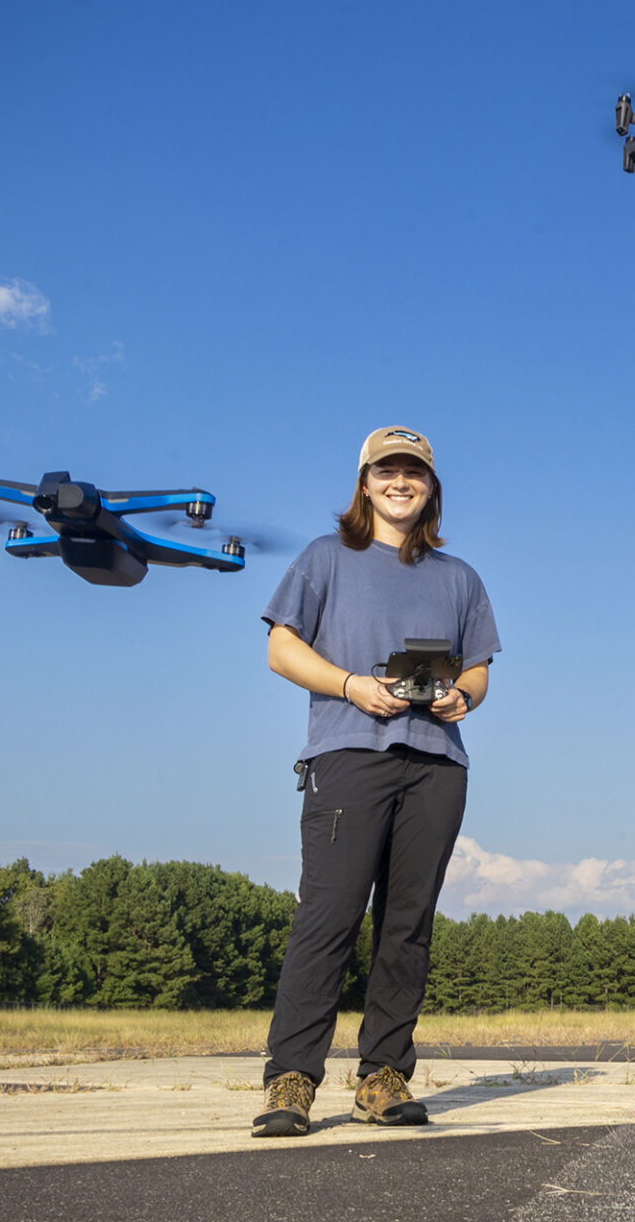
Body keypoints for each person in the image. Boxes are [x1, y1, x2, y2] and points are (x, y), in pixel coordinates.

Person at [252, 426, 499, 1137]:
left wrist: (463, 698)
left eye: (413, 472)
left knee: (406, 927)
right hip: (349, 752)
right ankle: (290, 1081)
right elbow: (279, 648)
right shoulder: (325, 558)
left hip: (437, 764)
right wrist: (351, 684)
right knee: (327, 919)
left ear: (430, 487)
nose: (401, 482)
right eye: (387, 471)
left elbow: (477, 670)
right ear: (364, 483)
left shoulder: (460, 578)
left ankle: (383, 1078)